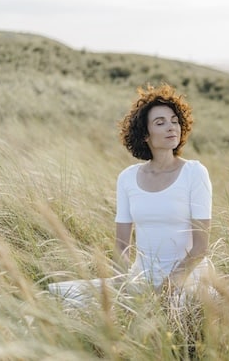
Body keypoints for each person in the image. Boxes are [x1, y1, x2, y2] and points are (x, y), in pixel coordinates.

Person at [49, 83, 213, 305]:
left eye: (175, 121)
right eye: (160, 122)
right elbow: (121, 248)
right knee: (61, 298)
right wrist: (126, 283)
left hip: (185, 280)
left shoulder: (194, 172)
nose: (171, 127)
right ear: (145, 134)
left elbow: (200, 248)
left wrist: (167, 287)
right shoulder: (127, 178)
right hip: (140, 279)